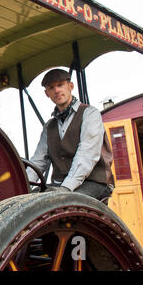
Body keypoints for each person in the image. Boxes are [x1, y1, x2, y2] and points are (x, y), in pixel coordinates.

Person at [26, 68, 114, 201]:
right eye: (51, 87)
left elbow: (86, 155)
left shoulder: (89, 114)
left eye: (60, 85)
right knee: (25, 201)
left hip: (94, 182)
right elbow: (38, 162)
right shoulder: (49, 126)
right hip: (59, 185)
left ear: (70, 86)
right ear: (47, 93)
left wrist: (66, 188)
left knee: (60, 201)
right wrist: (22, 187)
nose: (57, 90)